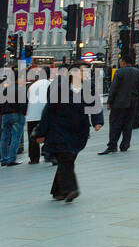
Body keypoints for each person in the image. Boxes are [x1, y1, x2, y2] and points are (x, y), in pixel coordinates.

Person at [35, 65, 104, 202]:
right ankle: (71, 188)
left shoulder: (89, 88)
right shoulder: (61, 88)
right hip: (59, 128)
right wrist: (41, 132)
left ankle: (58, 191)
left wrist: (97, 121)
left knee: (68, 159)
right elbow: (48, 111)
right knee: (66, 157)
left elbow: (95, 105)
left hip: (79, 131)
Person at [99, 50, 139, 154]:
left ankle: (112, 145)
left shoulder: (119, 72)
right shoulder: (138, 72)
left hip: (119, 103)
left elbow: (113, 88)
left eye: (120, 61)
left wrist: (109, 102)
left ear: (123, 62)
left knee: (115, 124)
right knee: (128, 125)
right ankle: (125, 145)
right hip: (132, 103)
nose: (119, 63)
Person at [25, 67, 52, 164]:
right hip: (44, 114)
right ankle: (48, 154)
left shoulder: (32, 86)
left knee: (33, 137)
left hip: (31, 114)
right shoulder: (50, 84)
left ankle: (33, 158)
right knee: (49, 134)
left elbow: (27, 99)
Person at [0, 70, 27, 166]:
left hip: (5, 115)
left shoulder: (5, 89)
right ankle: (11, 159)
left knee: (4, 138)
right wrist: (23, 114)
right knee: (16, 137)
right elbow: (23, 104)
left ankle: (3, 159)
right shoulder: (20, 89)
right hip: (16, 114)